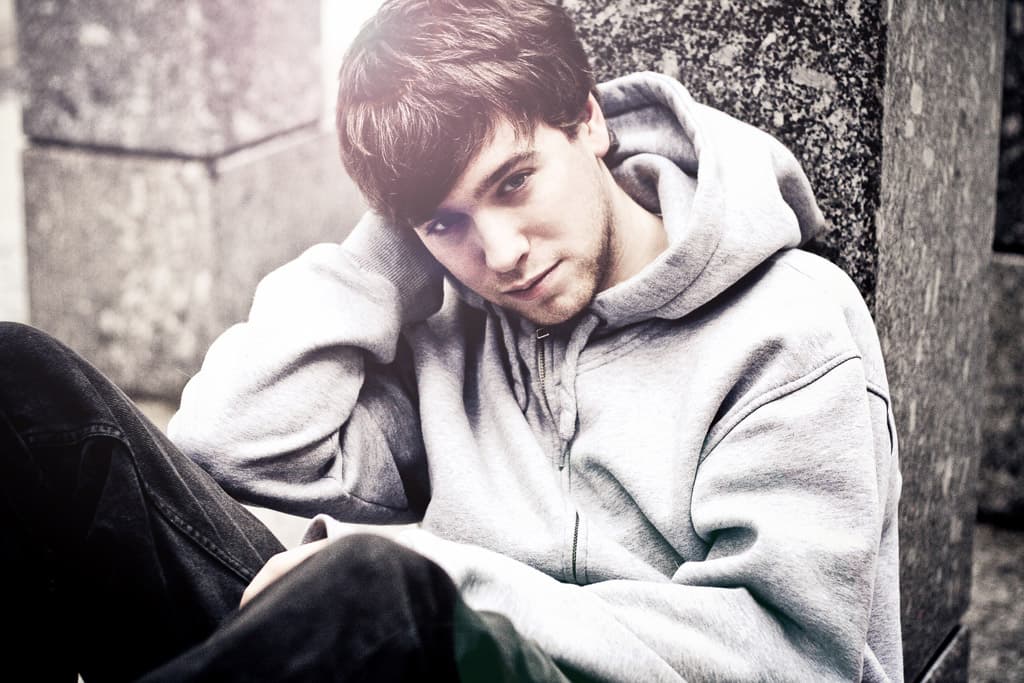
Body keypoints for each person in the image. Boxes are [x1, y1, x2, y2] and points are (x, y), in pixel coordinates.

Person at [0, 0, 904, 680]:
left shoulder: (788, 327)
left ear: (588, 120)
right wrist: (395, 245)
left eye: (514, 182)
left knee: (374, 591)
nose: (501, 254)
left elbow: (792, 659)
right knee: (24, 387)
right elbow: (232, 446)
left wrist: (444, 576)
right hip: (413, 654)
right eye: (448, 222)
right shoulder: (462, 323)